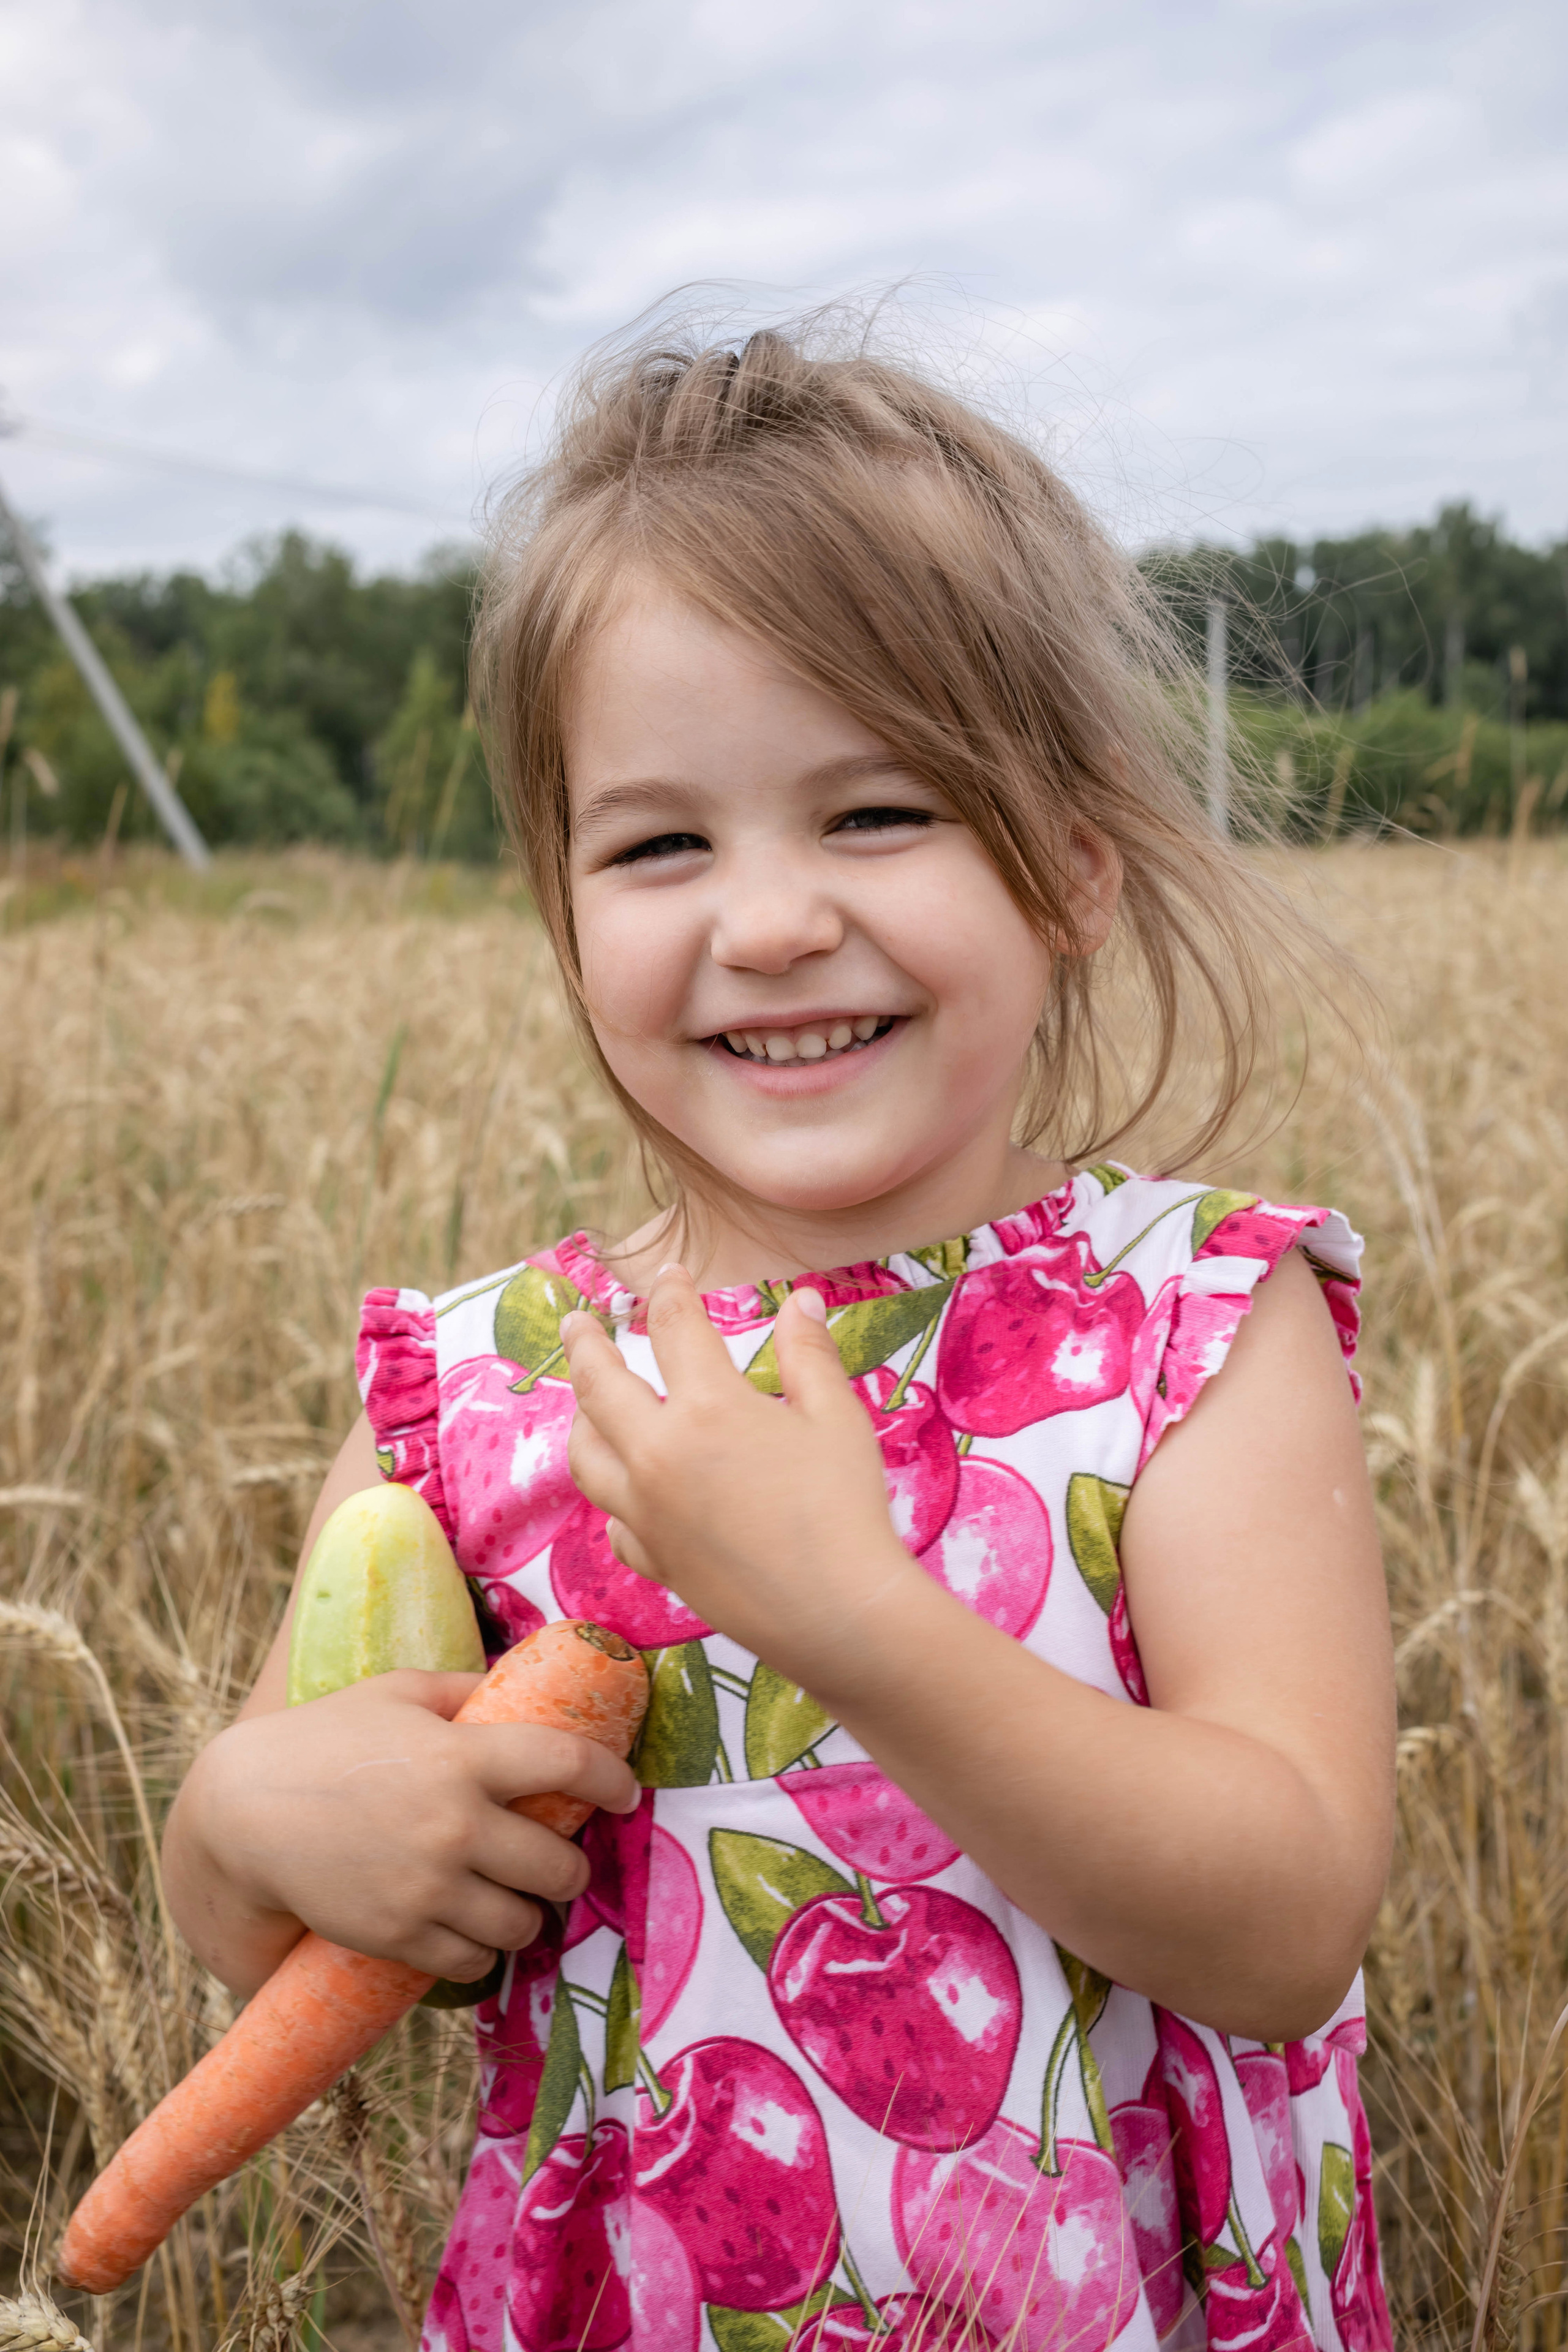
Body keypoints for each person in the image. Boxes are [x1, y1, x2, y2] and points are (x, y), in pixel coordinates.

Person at [162, 318, 1396, 2351]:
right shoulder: (476, 1390)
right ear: (566, 910)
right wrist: (241, 1821)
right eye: (661, 842)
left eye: (877, 812)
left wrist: (852, 1614)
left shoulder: (1187, 1330)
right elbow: (289, 1917)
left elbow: (1281, 1924)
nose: (765, 921)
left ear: (1076, 860)